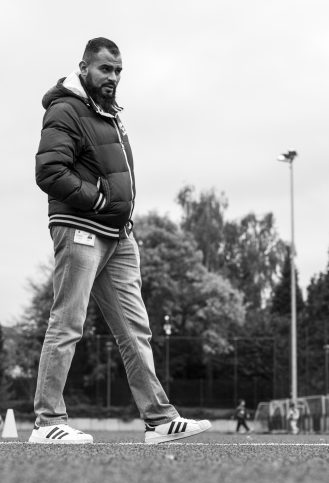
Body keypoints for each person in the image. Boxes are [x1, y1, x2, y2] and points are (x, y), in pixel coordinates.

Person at [29, 38, 210, 445]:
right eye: (105, 69)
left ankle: (159, 419)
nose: (112, 77)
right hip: (80, 227)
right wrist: (96, 199)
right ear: (84, 67)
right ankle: (47, 421)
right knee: (68, 322)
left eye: (118, 71)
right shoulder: (66, 109)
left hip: (117, 235)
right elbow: (49, 171)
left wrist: (120, 215)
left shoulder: (109, 113)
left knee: (135, 330)